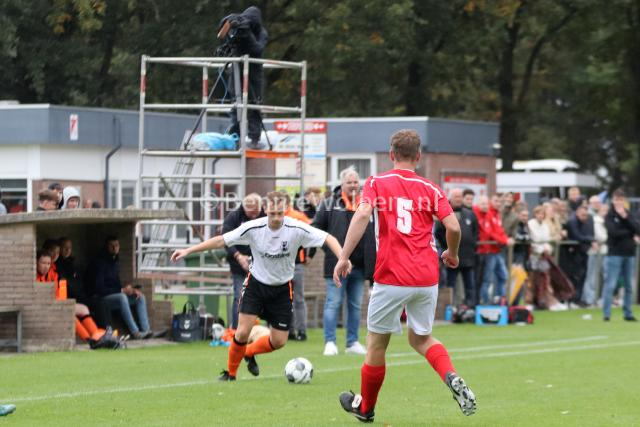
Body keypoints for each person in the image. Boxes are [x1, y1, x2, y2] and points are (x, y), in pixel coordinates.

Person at [334, 129, 476, 422]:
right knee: (421, 339)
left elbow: (362, 215)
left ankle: (366, 408)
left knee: (376, 344)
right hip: (426, 277)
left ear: (391, 154)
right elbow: (454, 227)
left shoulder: (376, 182)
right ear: (419, 156)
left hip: (392, 275)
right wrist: (452, 253)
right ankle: (450, 375)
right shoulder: (431, 188)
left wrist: (344, 256)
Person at [170, 191, 346, 381]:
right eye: (272, 213)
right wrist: (188, 250)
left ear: (286, 209)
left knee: (279, 341)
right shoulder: (253, 228)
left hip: (282, 289)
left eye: (280, 213)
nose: (276, 218)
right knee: (242, 332)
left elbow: (329, 238)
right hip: (256, 286)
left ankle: (248, 352)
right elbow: (221, 240)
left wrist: (342, 258)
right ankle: (230, 374)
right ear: (265, 209)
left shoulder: (296, 228)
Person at [313, 166, 375, 356]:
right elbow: (316, 229)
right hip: (337, 266)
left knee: (355, 305)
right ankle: (330, 342)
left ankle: (352, 342)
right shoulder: (329, 204)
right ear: (341, 184)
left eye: (356, 182)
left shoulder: (366, 205)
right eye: (349, 182)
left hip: (360, 266)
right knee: (333, 303)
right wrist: (331, 251)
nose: (353, 185)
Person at [218, 6, 268, 148]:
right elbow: (223, 31)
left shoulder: (261, 33)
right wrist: (230, 20)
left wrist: (247, 35)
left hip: (254, 73)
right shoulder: (240, 29)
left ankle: (254, 139)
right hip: (237, 71)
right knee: (236, 105)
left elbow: (257, 49)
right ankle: (235, 138)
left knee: (254, 105)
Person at [36, 249, 108, 348]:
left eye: (48, 263)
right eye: (43, 263)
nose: (46, 266)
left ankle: (98, 337)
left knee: (83, 309)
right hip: (42, 308)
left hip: (57, 304)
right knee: (69, 313)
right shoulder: (32, 276)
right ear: (36, 262)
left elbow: (58, 293)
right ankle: (89, 340)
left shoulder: (53, 274)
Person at [88, 236, 152, 339]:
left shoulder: (115, 261)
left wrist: (130, 290)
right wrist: (122, 290)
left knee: (140, 297)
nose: (115, 248)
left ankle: (146, 330)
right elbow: (100, 289)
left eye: (117, 245)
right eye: (112, 246)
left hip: (115, 295)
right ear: (106, 247)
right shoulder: (99, 262)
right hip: (102, 299)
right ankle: (135, 332)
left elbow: (117, 285)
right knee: (122, 297)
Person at [221, 193, 265, 329]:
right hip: (238, 265)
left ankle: (265, 329)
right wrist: (238, 256)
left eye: (256, 212)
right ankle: (236, 329)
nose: (254, 216)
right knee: (239, 296)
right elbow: (225, 239)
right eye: (251, 213)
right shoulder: (233, 217)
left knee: (265, 297)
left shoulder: (265, 216)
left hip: (261, 264)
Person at [434, 188, 478, 306]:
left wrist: (471, 244)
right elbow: (438, 233)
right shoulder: (444, 213)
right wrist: (448, 246)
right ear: (450, 198)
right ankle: (450, 308)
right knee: (450, 284)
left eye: (460, 197)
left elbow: (475, 232)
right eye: (456, 197)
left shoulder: (470, 214)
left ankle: (469, 307)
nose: (458, 199)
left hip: (468, 257)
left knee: (470, 285)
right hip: (451, 257)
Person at [602, 189, 640, 321]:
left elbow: (637, 228)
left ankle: (628, 313)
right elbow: (613, 232)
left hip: (629, 253)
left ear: (624, 201)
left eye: (621, 200)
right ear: (613, 200)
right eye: (617, 200)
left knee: (629, 285)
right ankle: (607, 314)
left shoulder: (628, 214)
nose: (619, 202)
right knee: (610, 284)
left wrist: (625, 218)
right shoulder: (609, 215)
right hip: (614, 254)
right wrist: (630, 233)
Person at [281, 191, 312, 341]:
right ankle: (288, 330)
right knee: (283, 298)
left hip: (296, 263)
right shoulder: (271, 217)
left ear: (287, 202)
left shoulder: (298, 217)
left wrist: (310, 254)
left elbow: (313, 232)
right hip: (279, 264)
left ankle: (301, 330)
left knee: (298, 298)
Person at [474, 195, 512, 304]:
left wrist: (505, 239)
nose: (498, 203)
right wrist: (505, 240)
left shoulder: (494, 214)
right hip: (486, 250)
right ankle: (485, 301)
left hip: (494, 250)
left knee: (503, 276)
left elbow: (498, 230)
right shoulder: (485, 214)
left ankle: (500, 299)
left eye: (500, 201)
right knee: (487, 279)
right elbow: (489, 232)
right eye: (496, 201)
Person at [565, 205, 595, 305]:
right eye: (583, 215)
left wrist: (589, 239)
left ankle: (578, 299)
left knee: (582, 275)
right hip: (574, 253)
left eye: (586, 215)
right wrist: (590, 240)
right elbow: (577, 236)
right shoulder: (572, 222)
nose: (585, 217)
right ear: (577, 213)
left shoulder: (586, 222)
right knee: (575, 276)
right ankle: (572, 299)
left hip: (583, 252)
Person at [582, 203, 608, 307]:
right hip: (595, 252)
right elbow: (600, 237)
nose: (606, 212)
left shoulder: (606, 221)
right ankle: (589, 300)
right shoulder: (596, 221)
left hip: (605, 251)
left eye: (607, 210)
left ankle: (603, 299)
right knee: (592, 276)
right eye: (604, 210)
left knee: (605, 277)